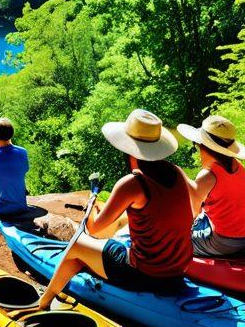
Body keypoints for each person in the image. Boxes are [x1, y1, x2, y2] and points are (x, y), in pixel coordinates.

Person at [36, 109, 193, 309]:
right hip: (179, 271)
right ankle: (60, 289)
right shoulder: (177, 173)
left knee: (77, 243)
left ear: (129, 149)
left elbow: (93, 228)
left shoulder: (133, 183)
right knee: (103, 245)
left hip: (148, 275)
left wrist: (92, 198)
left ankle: (44, 301)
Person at [178, 115, 245, 258]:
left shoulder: (207, 176)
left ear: (203, 146)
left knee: (175, 241)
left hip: (225, 244)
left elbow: (192, 214)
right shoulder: (237, 167)